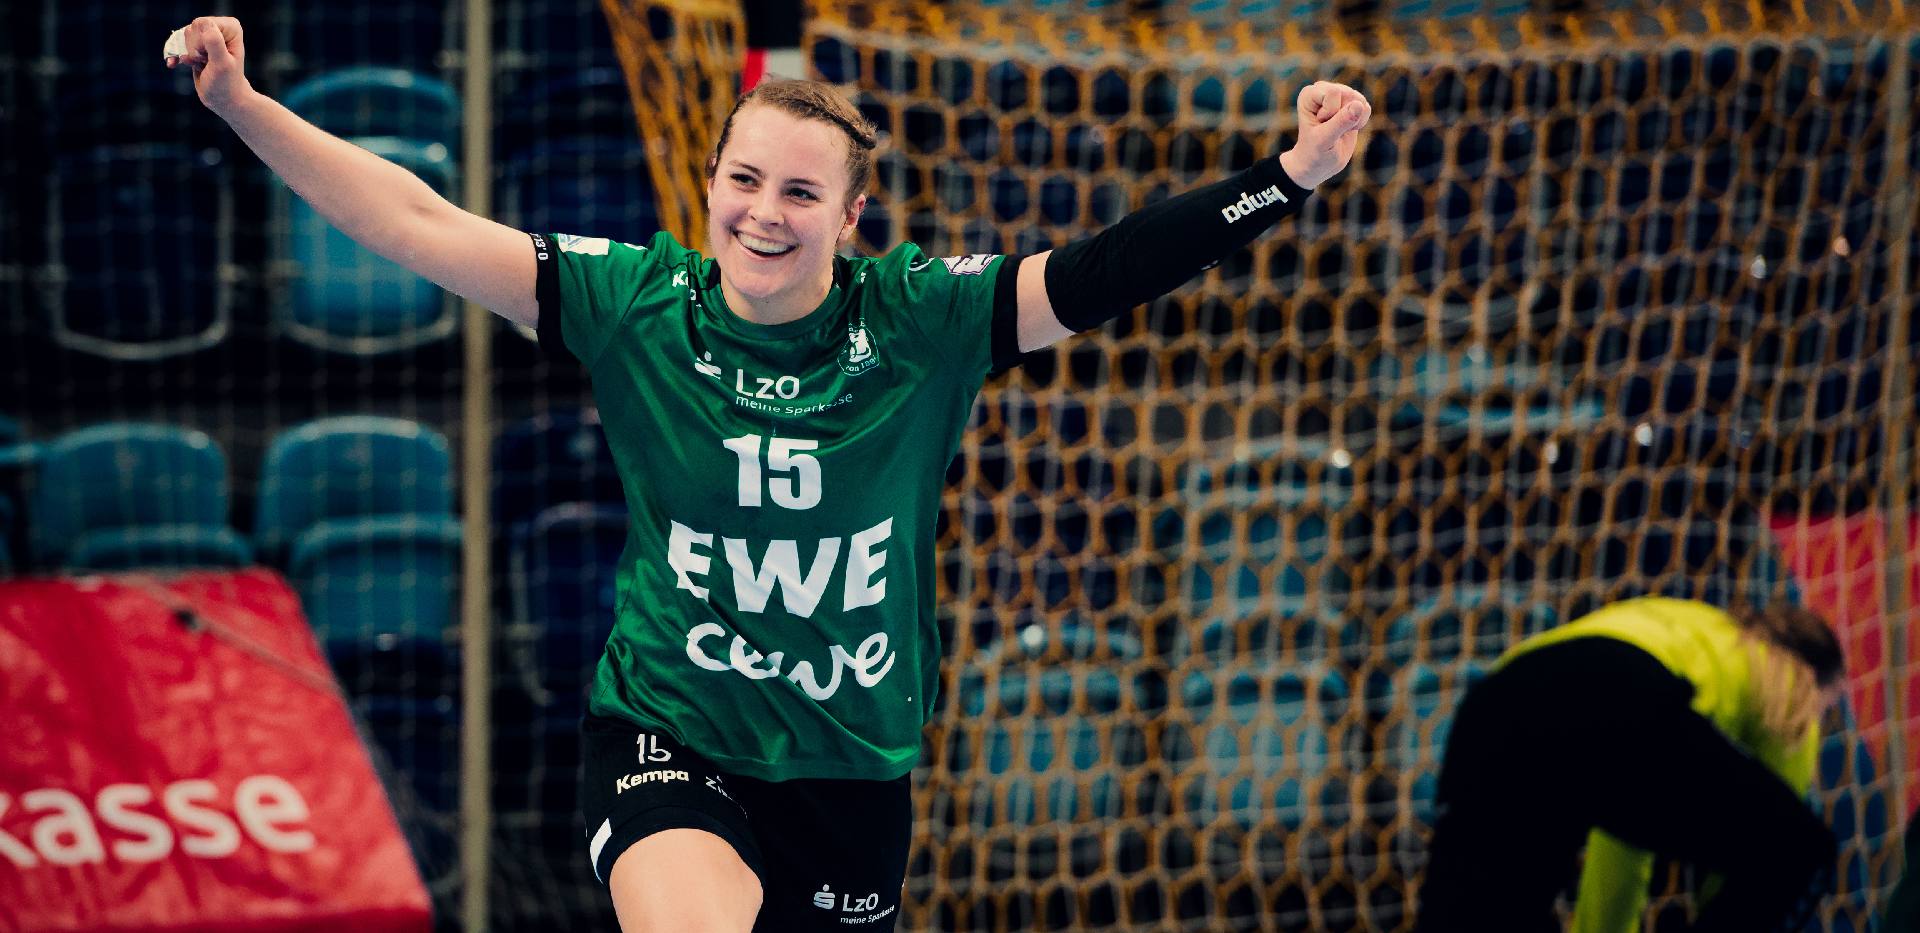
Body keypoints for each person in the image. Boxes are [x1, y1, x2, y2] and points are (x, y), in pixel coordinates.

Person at [167, 16, 1370, 931]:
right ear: (711, 188)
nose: (764, 213)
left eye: (801, 192)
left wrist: (1290, 176)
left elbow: (1110, 268)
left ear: (851, 219)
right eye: (744, 181)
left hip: (851, 766)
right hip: (668, 729)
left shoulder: (922, 321)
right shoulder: (636, 302)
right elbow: (414, 221)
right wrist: (245, 105)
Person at [1414, 596, 1844, 933]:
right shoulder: (1787, 682)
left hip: (1496, 704)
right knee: (1801, 854)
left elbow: (1625, 826)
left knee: (1482, 914)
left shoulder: (1691, 624)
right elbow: (1770, 835)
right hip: (1613, 687)